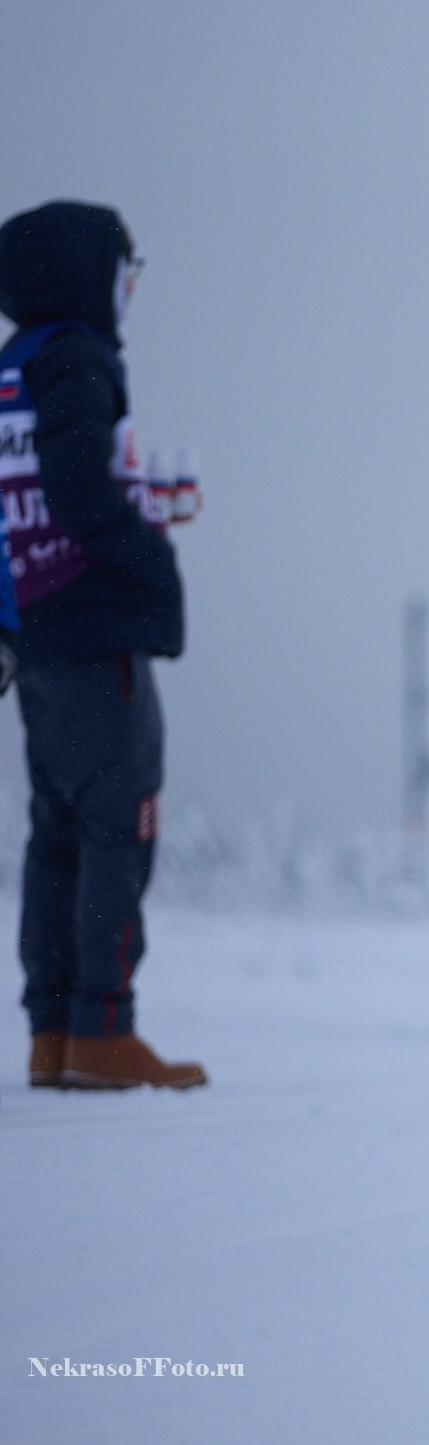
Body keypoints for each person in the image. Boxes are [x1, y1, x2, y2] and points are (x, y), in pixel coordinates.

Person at [0, 201, 198, 1091]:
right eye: (128, 270)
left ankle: (53, 1033)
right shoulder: (79, 359)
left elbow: (30, 497)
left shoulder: (14, 367)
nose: (130, 289)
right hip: (94, 629)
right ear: (91, 274)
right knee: (124, 823)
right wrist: (151, 553)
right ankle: (104, 1029)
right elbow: (81, 491)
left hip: (38, 630)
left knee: (57, 833)